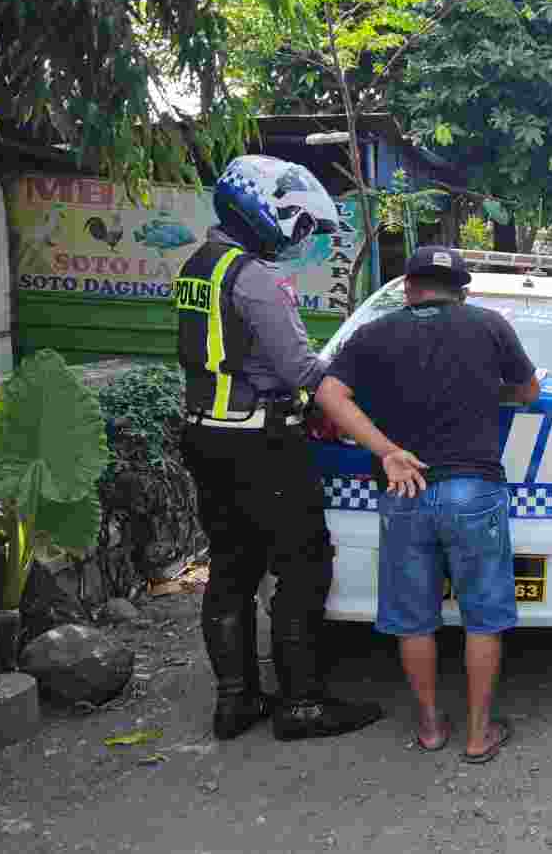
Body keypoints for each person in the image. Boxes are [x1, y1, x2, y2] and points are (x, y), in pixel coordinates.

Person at [175, 155, 383, 742]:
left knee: (232, 565)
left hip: (205, 432)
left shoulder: (200, 266)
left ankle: (235, 702)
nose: (300, 237)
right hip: (259, 440)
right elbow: (300, 369)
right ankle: (302, 705)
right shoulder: (258, 280)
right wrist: (351, 370)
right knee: (303, 563)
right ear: (266, 212)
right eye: (299, 224)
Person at [315, 247, 541, 764]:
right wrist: (491, 391)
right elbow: (527, 391)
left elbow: (329, 394)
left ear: (410, 287)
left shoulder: (373, 333)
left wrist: (388, 451)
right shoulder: (489, 326)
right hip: (473, 489)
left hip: (404, 489)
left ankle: (430, 727)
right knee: (482, 617)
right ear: (461, 289)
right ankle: (479, 734)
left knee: (414, 617)